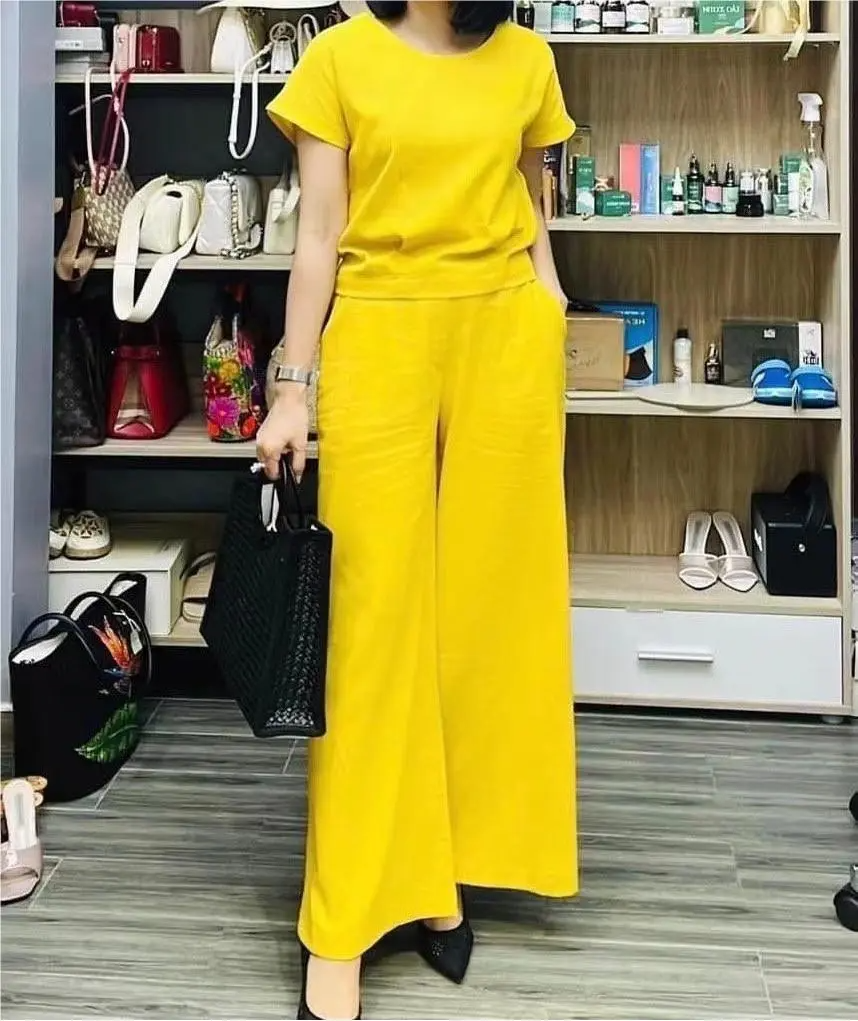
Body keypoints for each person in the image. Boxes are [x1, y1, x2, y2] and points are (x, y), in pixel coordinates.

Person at [259, 2, 578, 1017]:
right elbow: (318, 236)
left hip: (505, 343)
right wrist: (293, 388)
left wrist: (551, 303)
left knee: (484, 624)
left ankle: (440, 875)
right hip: (381, 336)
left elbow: (532, 206)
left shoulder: (527, 59)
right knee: (371, 633)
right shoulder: (339, 58)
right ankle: (343, 917)